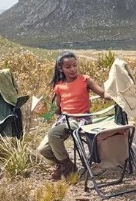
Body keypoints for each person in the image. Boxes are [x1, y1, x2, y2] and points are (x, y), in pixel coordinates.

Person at [34, 51, 108, 179]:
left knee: (53, 134)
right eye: (68, 67)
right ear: (61, 69)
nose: (72, 69)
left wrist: (115, 96)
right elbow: (59, 110)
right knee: (43, 149)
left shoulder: (85, 80)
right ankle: (66, 164)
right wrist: (44, 109)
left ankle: (66, 168)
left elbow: (103, 94)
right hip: (64, 120)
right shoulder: (59, 86)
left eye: (74, 65)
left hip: (80, 119)